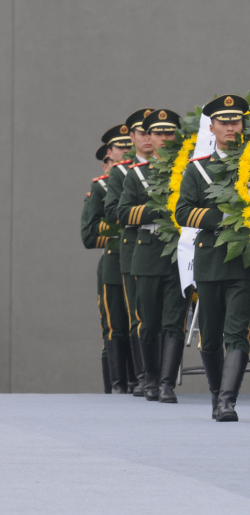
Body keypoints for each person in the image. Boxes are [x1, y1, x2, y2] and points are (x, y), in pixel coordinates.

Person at [175, 94, 250, 421]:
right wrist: (225, 219)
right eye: (223, 122)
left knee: (238, 332)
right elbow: (182, 212)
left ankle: (228, 401)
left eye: (235, 122)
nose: (230, 127)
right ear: (211, 127)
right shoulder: (197, 170)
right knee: (210, 334)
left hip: (244, 262)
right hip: (211, 259)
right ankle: (215, 394)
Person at [117, 109, 190, 403]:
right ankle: (148, 377)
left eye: (169, 133)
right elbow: (122, 213)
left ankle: (167, 383)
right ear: (148, 137)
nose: (164, 138)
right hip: (147, 252)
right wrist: (158, 208)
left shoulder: (187, 170)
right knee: (148, 320)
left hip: (178, 253)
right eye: (158, 134)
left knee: (174, 321)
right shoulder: (136, 175)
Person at [104, 108, 154, 396]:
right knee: (139, 314)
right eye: (142, 133)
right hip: (132, 248)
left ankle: (159, 375)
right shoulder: (123, 172)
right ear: (133, 136)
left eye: (152, 132)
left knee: (162, 316)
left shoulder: (171, 166)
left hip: (163, 249)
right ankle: (142, 374)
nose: (148, 138)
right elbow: (113, 211)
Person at [82, 126, 134, 393]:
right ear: (108, 159)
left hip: (140, 259)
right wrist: (120, 235)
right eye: (120, 149)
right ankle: (116, 386)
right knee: (115, 327)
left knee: (140, 323)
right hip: (115, 263)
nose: (126, 151)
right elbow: (89, 236)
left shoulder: (144, 178)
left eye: (129, 145)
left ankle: (140, 381)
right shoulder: (101, 188)